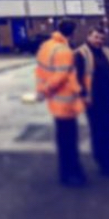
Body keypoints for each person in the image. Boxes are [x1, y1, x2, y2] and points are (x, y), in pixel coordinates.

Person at [35, 18, 86, 186]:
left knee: (63, 139)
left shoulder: (46, 46)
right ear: (72, 32)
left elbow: (40, 70)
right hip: (65, 102)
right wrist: (46, 89)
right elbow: (61, 76)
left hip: (55, 102)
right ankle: (71, 174)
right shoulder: (64, 51)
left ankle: (69, 172)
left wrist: (42, 90)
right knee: (69, 141)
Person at [75, 26, 109, 177]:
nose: (99, 40)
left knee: (108, 132)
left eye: (102, 38)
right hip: (93, 101)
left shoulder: (106, 52)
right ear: (89, 36)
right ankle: (105, 165)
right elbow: (76, 78)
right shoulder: (81, 53)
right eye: (96, 37)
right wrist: (83, 95)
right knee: (100, 133)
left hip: (107, 99)